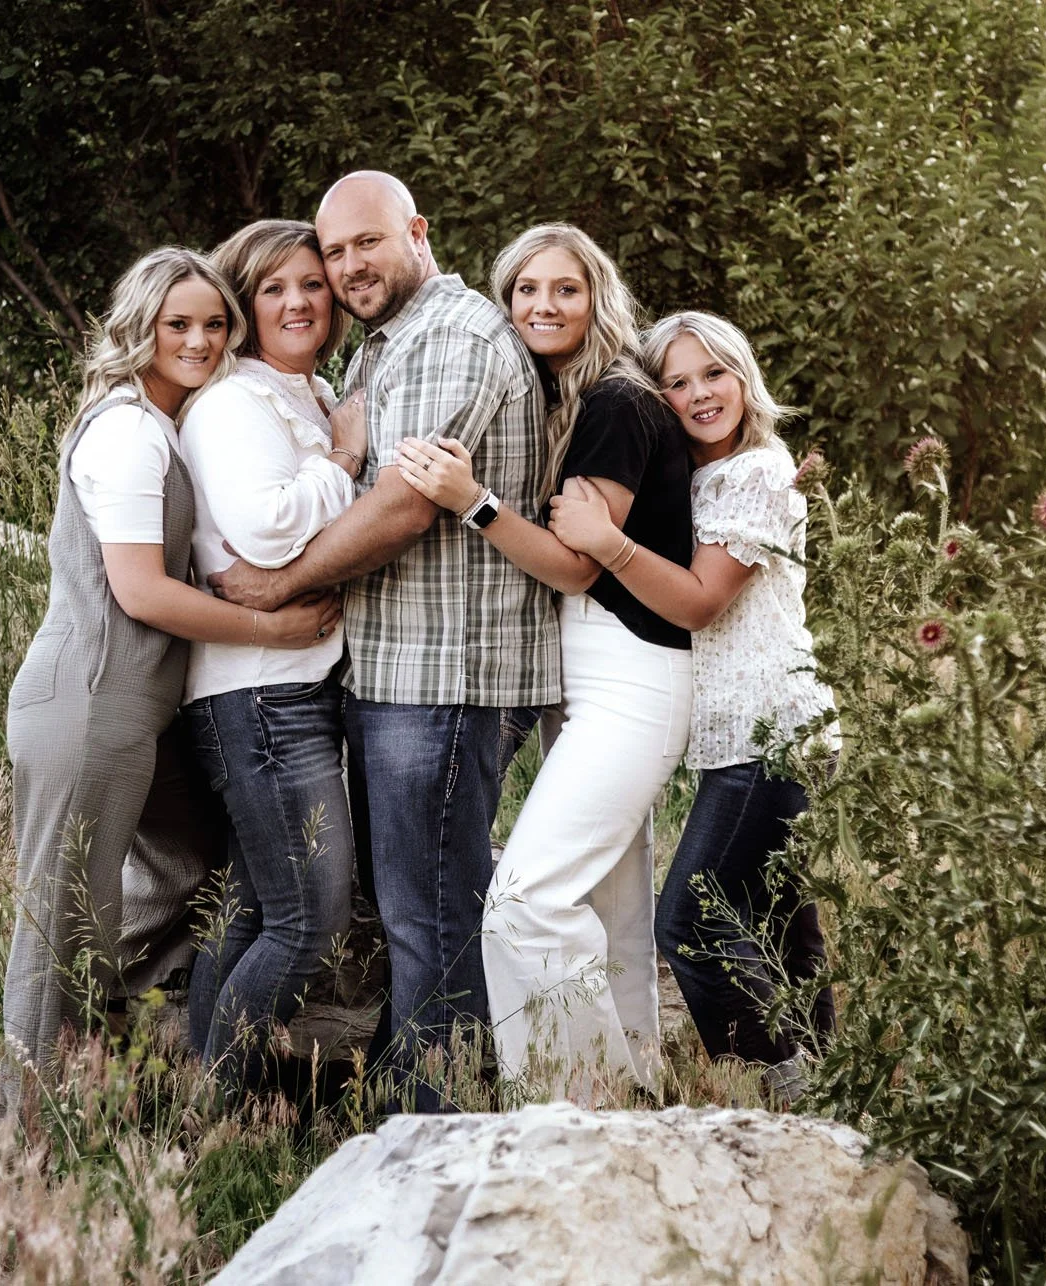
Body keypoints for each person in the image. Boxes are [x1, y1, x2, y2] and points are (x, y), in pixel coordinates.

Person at [207, 173, 556, 1112]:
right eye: (336, 251)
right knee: (411, 914)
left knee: (431, 917)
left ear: (418, 233)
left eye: (369, 243)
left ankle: (434, 1131)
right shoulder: (380, 350)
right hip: (396, 671)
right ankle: (399, 1113)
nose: (349, 266)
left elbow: (402, 508)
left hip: (444, 673)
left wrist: (280, 586)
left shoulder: (452, 336)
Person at [1, 246, 339, 1089]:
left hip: (141, 712)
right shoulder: (124, 430)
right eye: (176, 324)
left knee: (199, 873)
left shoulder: (167, 424)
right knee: (63, 917)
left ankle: (127, 1054)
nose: (197, 340)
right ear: (139, 327)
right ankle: (24, 1128)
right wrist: (271, 625)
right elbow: (142, 591)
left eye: (213, 324)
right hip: (88, 703)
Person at [392, 224, 691, 1101]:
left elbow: (574, 565)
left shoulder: (615, 403)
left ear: (598, 298)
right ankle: (638, 1095)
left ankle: (578, 1101)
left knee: (525, 901)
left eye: (565, 289)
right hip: (597, 674)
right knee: (611, 910)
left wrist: (470, 500)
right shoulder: (572, 399)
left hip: (630, 676)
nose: (542, 306)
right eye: (525, 289)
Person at [548, 310, 836, 1096]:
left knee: (694, 921)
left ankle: (776, 1082)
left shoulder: (757, 473)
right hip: (754, 733)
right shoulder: (703, 478)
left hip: (769, 731)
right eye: (675, 382)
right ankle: (834, 1082)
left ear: (745, 376)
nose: (700, 393)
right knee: (780, 925)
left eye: (714, 372)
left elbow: (701, 602)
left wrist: (605, 541)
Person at [176, 219, 366, 1095]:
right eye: (273, 289)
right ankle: (216, 1111)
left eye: (312, 284)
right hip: (258, 699)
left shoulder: (309, 392)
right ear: (245, 306)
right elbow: (267, 527)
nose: (297, 302)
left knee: (257, 906)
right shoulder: (233, 403)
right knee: (307, 922)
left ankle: (196, 1094)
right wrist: (345, 456)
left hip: (296, 688)